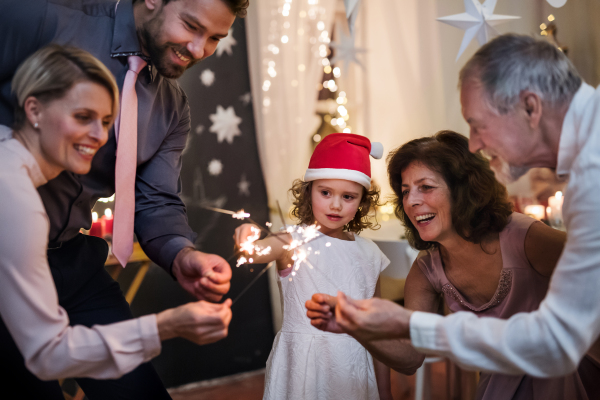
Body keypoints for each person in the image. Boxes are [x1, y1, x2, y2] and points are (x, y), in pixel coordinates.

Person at [306, 33, 600, 380]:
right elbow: (410, 358)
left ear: (531, 107)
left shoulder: (573, 196)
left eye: (478, 124)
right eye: (404, 191)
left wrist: (408, 322)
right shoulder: (428, 267)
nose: (475, 142)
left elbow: (559, 338)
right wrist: (363, 326)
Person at [0, 0, 247, 398]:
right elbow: (48, 354)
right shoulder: (43, 18)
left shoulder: (172, 108)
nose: (200, 50)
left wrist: (181, 254)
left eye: (216, 38)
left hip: (71, 258)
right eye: (191, 25)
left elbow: (156, 200)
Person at [234, 133, 393, 400]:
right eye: (326, 192)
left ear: (363, 202)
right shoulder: (290, 239)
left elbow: (377, 330)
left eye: (348, 196)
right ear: (309, 192)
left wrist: (386, 393)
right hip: (302, 367)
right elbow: (254, 253)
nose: (335, 204)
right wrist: (246, 236)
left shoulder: (370, 254)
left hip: (352, 369)